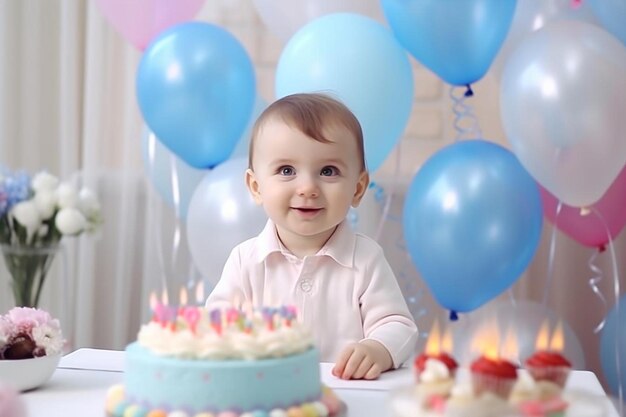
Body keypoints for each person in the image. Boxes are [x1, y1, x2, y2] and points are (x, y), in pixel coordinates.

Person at [206, 93, 418, 380]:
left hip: (347, 399)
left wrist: (377, 348)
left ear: (357, 189)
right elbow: (216, 323)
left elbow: (397, 324)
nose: (307, 187)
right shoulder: (246, 260)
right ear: (256, 187)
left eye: (328, 171)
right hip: (265, 396)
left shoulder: (365, 259)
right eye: (286, 170)